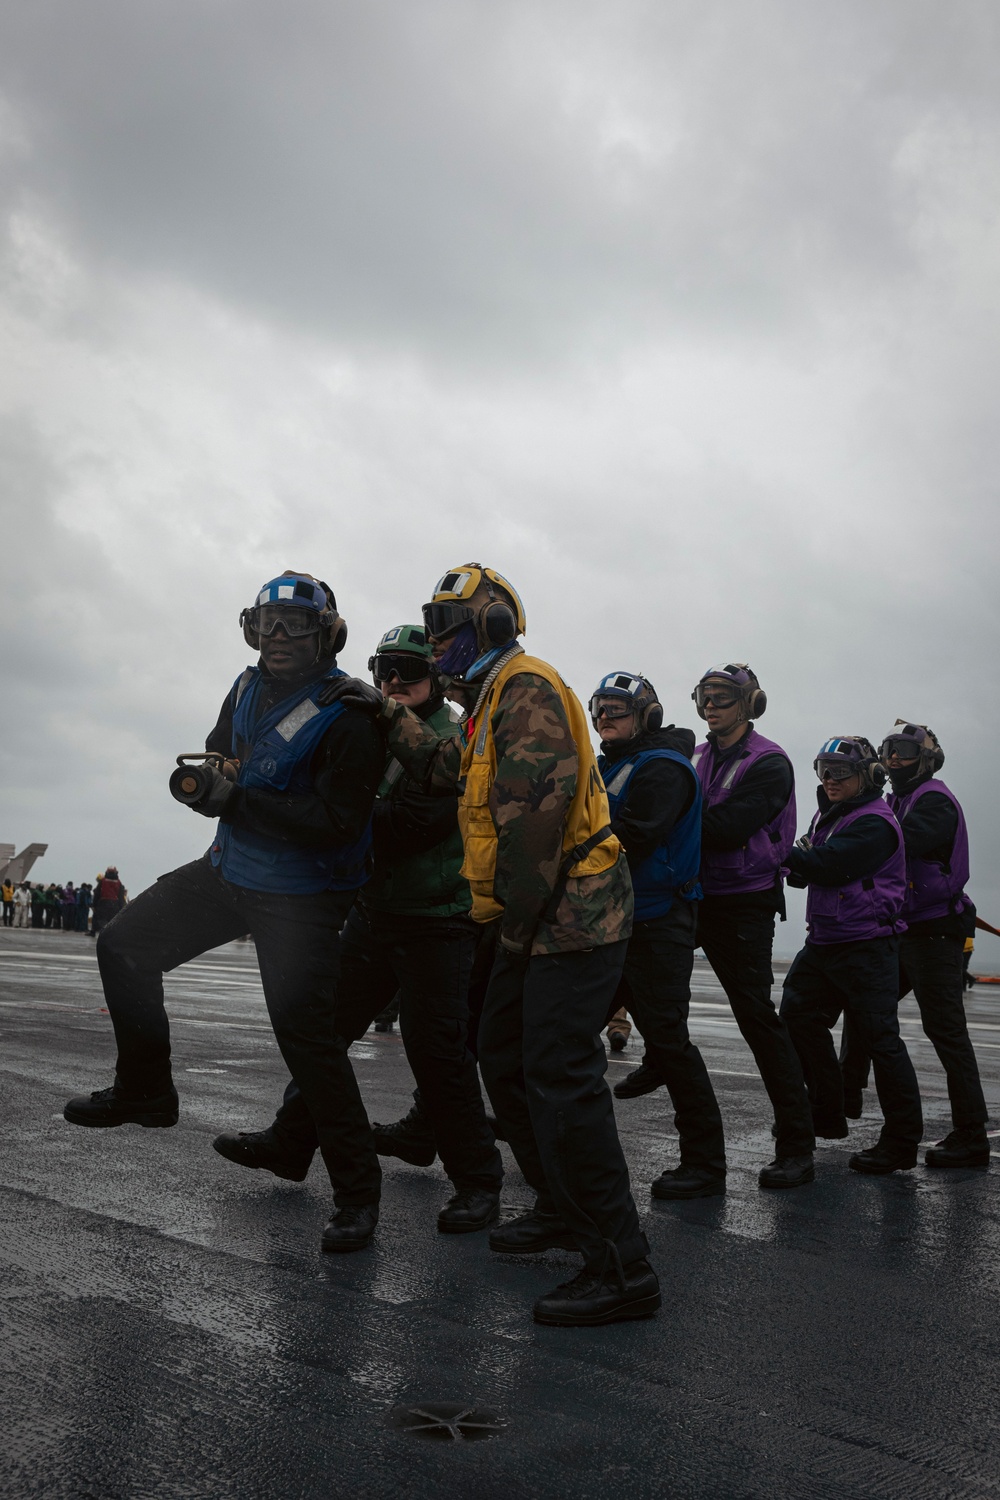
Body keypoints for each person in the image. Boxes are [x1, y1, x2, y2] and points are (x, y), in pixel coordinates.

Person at [326, 564, 657, 1326]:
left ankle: (622, 1263)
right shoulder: (491, 700)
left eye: (448, 626)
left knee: (561, 1078)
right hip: (534, 918)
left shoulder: (527, 687)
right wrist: (386, 714)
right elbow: (449, 769)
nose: (438, 644)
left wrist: (509, 928)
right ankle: (560, 1208)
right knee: (503, 1059)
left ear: (494, 625)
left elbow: (537, 824)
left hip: (568, 916)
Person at [63, 570, 386, 1254]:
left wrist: (234, 800)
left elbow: (336, 822)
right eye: (267, 624)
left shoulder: (351, 716)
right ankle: (146, 1090)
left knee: (309, 1046)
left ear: (327, 635)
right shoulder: (243, 687)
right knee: (122, 948)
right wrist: (215, 777)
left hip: (301, 899)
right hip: (230, 872)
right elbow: (224, 749)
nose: (278, 638)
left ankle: (359, 1196)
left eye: (296, 626)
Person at [215, 623, 503, 1234]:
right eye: (385, 670)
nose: (395, 681)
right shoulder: (367, 724)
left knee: (438, 1057)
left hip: (438, 923)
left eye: (411, 671)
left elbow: (414, 823)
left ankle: (479, 1182)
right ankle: (291, 1142)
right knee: (324, 1034)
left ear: (438, 678)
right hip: (374, 915)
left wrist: (334, 814)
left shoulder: (452, 740)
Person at [593, 671, 728, 1200]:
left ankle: (706, 1163)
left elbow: (633, 838)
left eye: (617, 710)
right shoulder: (613, 765)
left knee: (669, 1042)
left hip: (655, 923)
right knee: (567, 1032)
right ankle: (545, 1132)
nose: (605, 719)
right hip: (614, 919)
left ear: (646, 715)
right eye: (599, 710)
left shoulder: (663, 769)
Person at [689, 663, 815, 1189]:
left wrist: (658, 816)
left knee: (756, 1020)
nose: (711, 706)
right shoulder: (695, 756)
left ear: (750, 703)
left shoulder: (770, 763)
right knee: (644, 998)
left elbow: (729, 827)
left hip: (743, 904)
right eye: (704, 697)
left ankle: (797, 1145)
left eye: (722, 697)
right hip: (693, 894)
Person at [840, 723, 988, 1168]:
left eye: (903, 750)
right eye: (887, 750)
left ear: (926, 757)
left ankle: (971, 1135)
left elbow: (896, 844)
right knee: (865, 1011)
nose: (893, 758)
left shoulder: (933, 800)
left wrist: (843, 841)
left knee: (945, 1031)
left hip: (935, 931)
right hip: (904, 927)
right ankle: (844, 1103)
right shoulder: (897, 800)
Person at [780, 736, 923, 1174]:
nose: (829, 778)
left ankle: (900, 1143)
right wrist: (801, 859)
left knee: (880, 1041)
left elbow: (826, 865)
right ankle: (828, 1110)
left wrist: (777, 847)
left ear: (868, 776)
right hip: (825, 940)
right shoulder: (831, 815)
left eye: (840, 771)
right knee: (796, 1019)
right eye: (824, 769)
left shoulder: (875, 823)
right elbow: (810, 865)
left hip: (867, 946)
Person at [91, 868, 125, 938]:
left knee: (102, 921)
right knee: (112, 921)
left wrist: (94, 905)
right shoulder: (119, 883)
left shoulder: (103, 881)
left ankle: (104, 936)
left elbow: (97, 894)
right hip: (115, 904)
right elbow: (121, 896)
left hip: (103, 903)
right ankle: (111, 936)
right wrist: (122, 907)